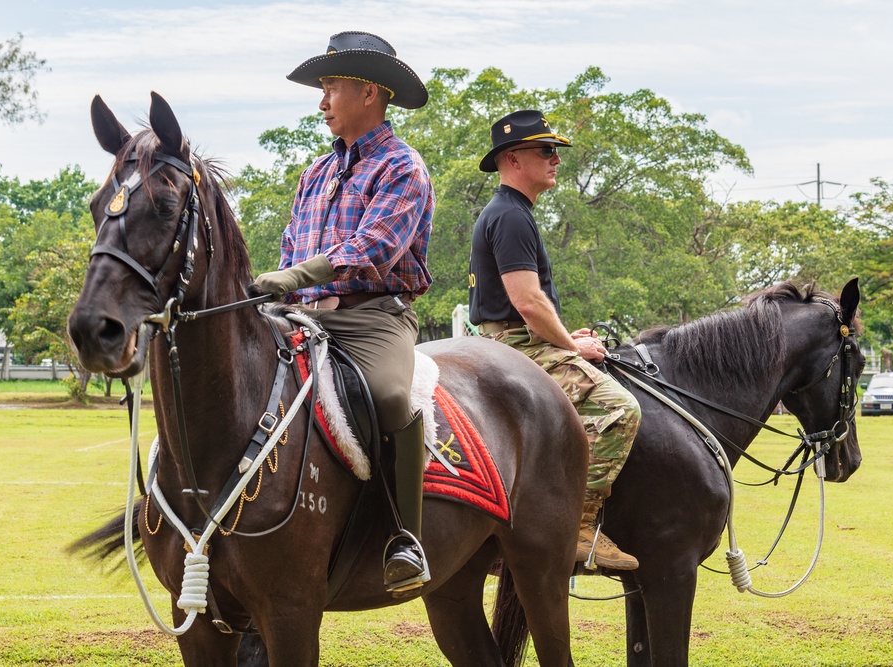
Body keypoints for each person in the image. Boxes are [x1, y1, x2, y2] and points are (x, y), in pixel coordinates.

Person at [253, 31, 435, 593]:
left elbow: (374, 248)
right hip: (301, 316)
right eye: (323, 87)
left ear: (372, 93)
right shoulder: (313, 174)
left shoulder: (403, 167)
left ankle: (405, 538)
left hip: (371, 318)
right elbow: (290, 250)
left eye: (332, 86)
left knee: (389, 397)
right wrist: (275, 292)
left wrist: (296, 275)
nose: (322, 100)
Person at [468, 110, 642, 570]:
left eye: (556, 151)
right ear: (513, 158)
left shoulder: (511, 212)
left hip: (515, 338)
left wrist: (566, 336)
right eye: (545, 150)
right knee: (620, 409)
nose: (555, 159)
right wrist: (570, 346)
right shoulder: (510, 216)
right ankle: (581, 530)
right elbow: (528, 302)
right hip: (516, 347)